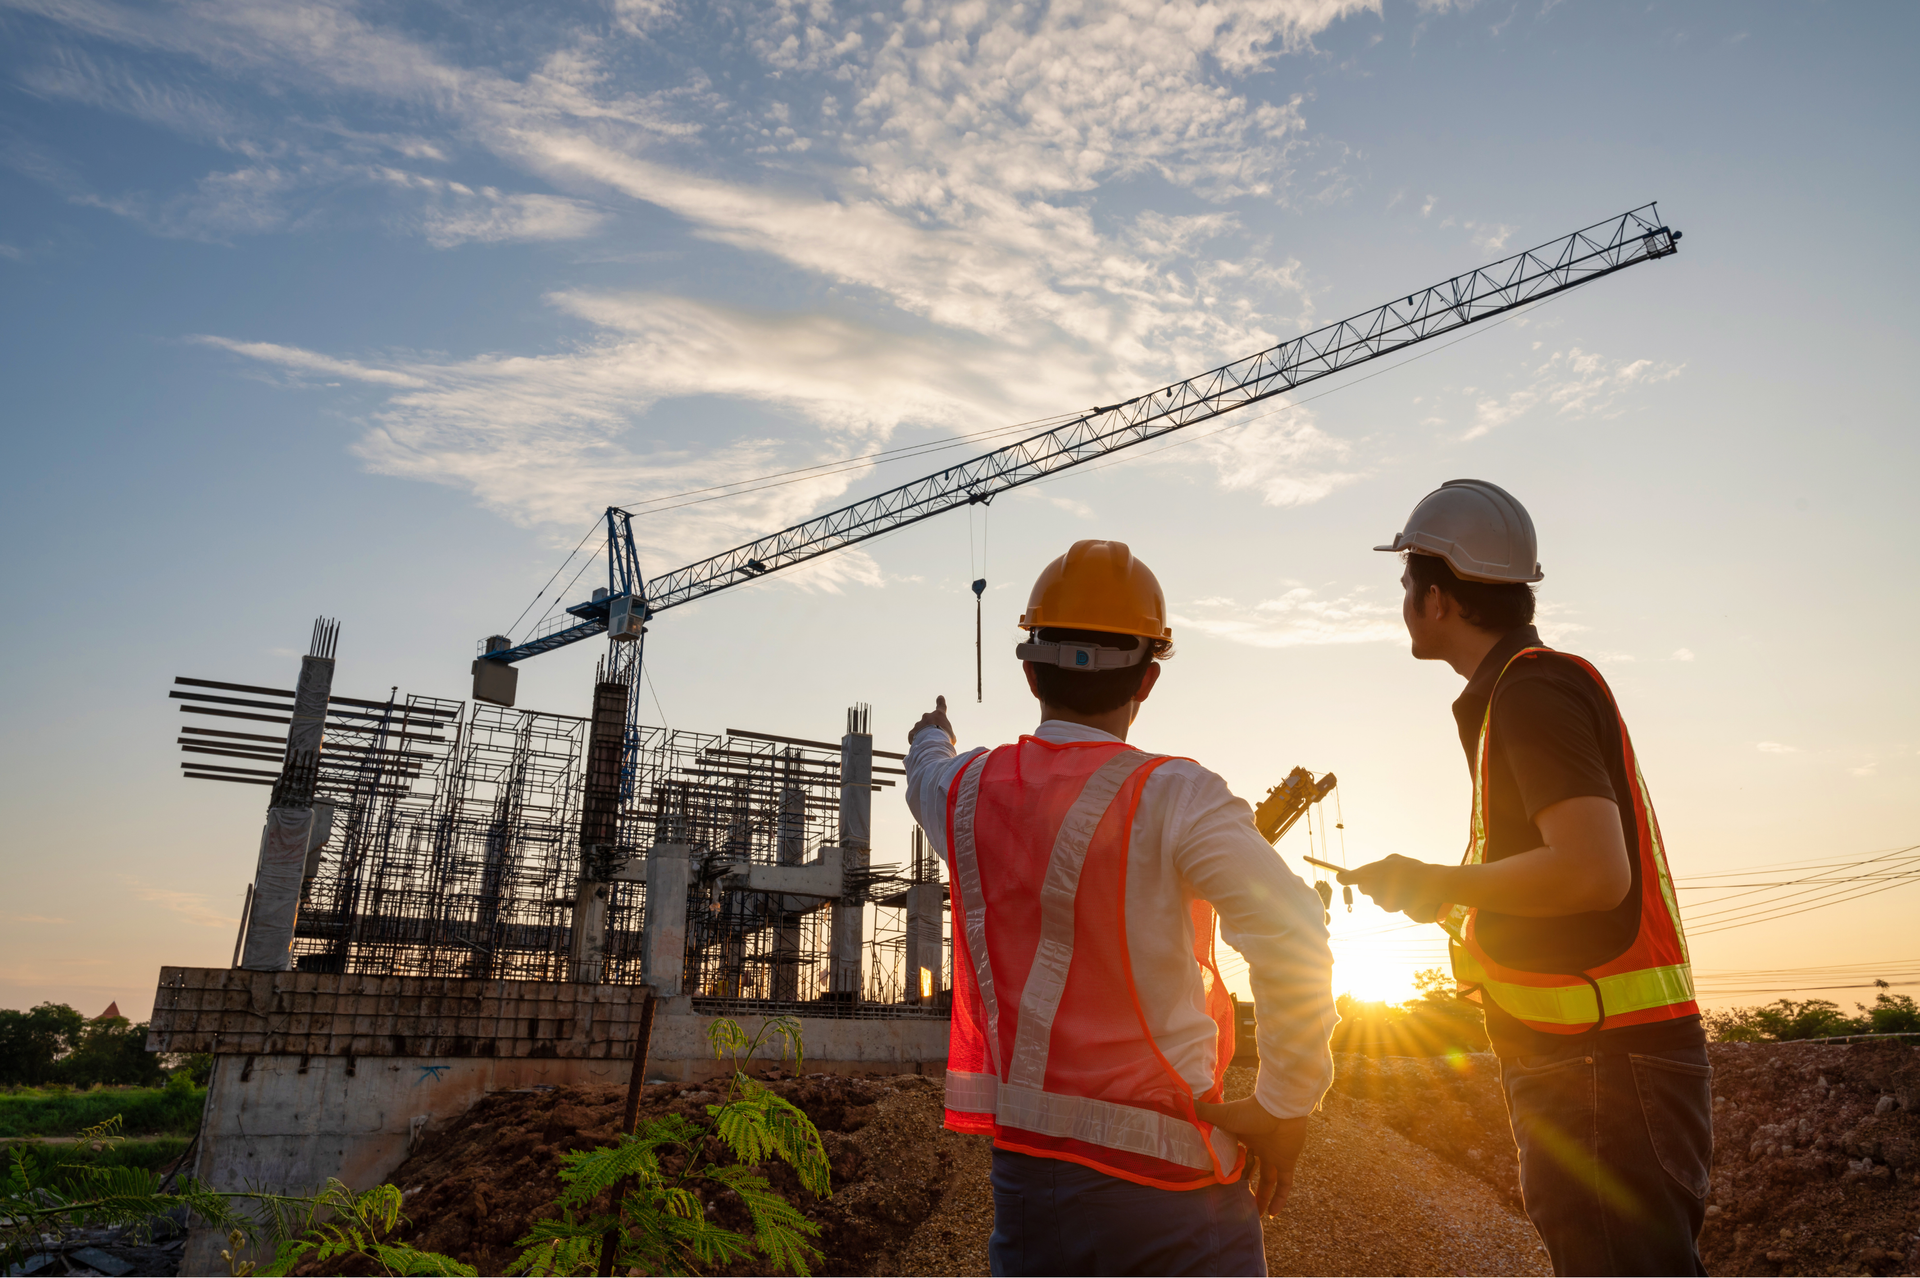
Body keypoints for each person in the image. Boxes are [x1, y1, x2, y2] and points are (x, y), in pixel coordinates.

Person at [904, 539, 1335, 1278]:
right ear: (1150, 680)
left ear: (1030, 669)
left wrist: (930, 731)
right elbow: (1294, 933)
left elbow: (925, 772)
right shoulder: (1177, 797)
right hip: (1169, 1189)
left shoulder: (967, 793)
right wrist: (1285, 1104)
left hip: (1029, 1185)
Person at [1340, 480, 1711, 1277]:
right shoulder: (1524, 691)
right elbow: (1564, 888)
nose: (1404, 601)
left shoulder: (1531, 692)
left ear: (1437, 598)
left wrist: (1437, 874)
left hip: (1602, 1067)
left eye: (1407, 584)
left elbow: (1589, 872)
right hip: (1601, 1060)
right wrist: (1446, 895)